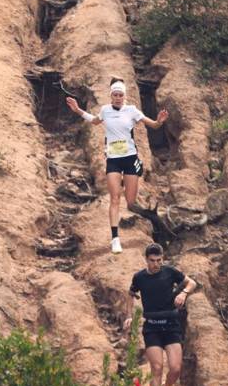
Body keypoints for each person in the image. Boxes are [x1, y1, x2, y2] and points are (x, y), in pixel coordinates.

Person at [66, 78, 168, 254]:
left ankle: (153, 220)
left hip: (130, 159)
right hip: (113, 159)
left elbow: (153, 125)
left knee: (130, 202)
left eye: (121, 95)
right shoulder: (105, 110)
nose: (118, 97)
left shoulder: (132, 111)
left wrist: (159, 121)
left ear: (124, 96)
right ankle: (115, 239)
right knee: (114, 198)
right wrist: (78, 110)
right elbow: (95, 121)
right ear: (111, 96)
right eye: (115, 95)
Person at [124, 242, 197, 386]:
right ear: (146, 260)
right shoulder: (139, 277)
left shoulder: (170, 272)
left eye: (159, 260)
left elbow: (192, 282)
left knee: (175, 368)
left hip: (171, 326)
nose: (156, 264)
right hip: (152, 329)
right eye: (152, 261)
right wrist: (129, 316)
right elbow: (130, 294)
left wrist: (184, 294)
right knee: (156, 368)